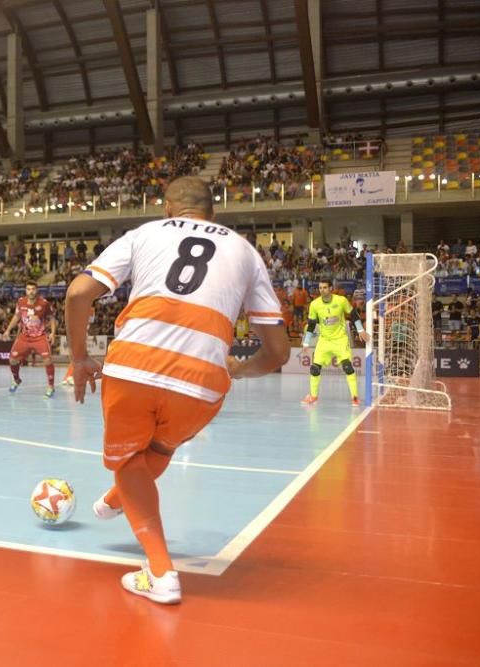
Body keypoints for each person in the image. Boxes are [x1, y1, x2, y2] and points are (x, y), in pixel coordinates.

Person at [65, 176, 289, 605]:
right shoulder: (244, 250)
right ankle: (118, 498)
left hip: (135, 363)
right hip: (204, 376)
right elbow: (277, 352)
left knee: (128, 461)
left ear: (167, 207)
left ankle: (162, 573)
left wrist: (80, 359)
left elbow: (78, 293)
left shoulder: (144, 233)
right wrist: (239, 370)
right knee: (162, 447)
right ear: (214, 212)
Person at [301, 280, 370, 405]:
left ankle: (355, 397)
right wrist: (306, 342)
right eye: (320, 288)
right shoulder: (315, 304)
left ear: (331, 288)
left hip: (340, 340)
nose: (322, 290)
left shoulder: (341, 300)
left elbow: (353, 314)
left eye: (325, 287)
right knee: (314, 369)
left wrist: (360, 330)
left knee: (348, 367)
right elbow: (311, 324)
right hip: (324, 341)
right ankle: (313, 396)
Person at [3, 281, 57, 397]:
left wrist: (53, 332)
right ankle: (16, 379)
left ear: (36, 290)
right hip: (24, 337)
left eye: (33, 289)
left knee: (47, 360)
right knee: (12, 360)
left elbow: (51, 317)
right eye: (28, 289)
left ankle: (51, 387)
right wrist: (8, 330)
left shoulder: (44, 303)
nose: (31, 291)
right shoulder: (21, 302)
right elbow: (17, 316)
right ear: (25, 291)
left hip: (40, 337)